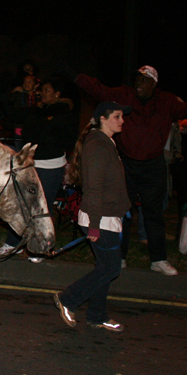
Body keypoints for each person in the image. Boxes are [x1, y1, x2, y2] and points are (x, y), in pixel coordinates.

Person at [68, 65, 187, 275]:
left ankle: (158, 259)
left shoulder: (166, 101)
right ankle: (119, 256)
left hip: (153, 164)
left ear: (154, 83)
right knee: (121, 211)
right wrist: (77, 77)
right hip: (127, 164)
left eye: (144, 80)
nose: (139, 83)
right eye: (137, 79)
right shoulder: (125, 95)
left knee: (154, 214)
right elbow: (100, 91)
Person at [54, 101, 131, 332]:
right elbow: (94, 188)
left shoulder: (105, 143)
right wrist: (95, 226)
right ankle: (68, 299)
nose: (122, 120)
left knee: (105, 268)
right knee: (110, 269)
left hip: (108, 216)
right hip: (100, 218)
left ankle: (97, 315)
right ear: (103, 119)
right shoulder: (97, 146)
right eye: (117, 116)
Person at [0, 77, 78, 258]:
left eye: (47, 90)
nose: (42, 93)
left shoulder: (65, 114)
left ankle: (41, 247)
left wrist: (45, 135)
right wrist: (5, 93)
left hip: (51, 167)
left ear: (57, 94)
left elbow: (69, 140)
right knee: (21, 203)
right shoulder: (36, 111)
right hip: (31, 165)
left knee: (43, 207)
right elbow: (13, 114)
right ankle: (13, 242)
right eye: (42, 90)